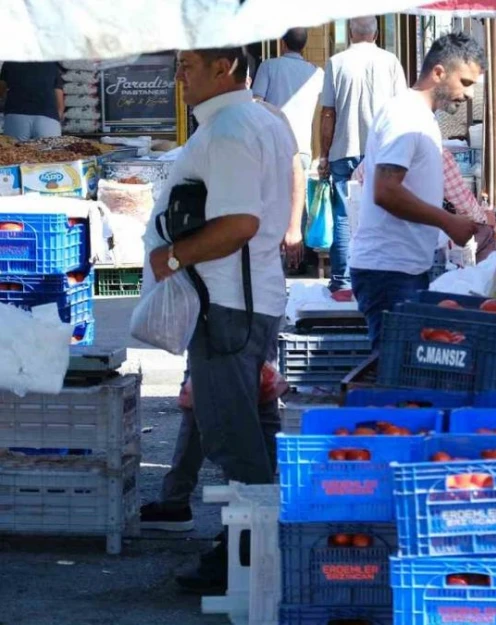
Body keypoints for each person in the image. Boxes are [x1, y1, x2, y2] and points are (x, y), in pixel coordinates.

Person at [143, 46, 296, 592]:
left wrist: (172, 256)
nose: (179, 74)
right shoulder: (259, 119)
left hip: (228, 304)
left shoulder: (231, 128)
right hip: (243, 301)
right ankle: (246, 548)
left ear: (224, 66)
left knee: (233, 436)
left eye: (188, 64)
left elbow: (240, 223)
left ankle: (254, 556)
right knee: (245, 429)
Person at [349, 33, 483, 346]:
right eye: (465, 82)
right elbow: (385, 190)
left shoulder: (419, 116)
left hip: (403, 268)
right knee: (393, 370)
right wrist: (447, 221)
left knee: (400, 367)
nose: (468, 95)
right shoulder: (406, 115)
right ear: (438, 73)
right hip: (389, 271)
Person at [319, 16, 408, 292]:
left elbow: (328, 113)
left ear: (350, 33)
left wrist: (323, 154)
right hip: (382, 152)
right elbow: (401, 110)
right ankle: (378, 279)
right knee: (381, 214)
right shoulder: (390, 61)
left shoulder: (336, 62)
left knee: (343, 217)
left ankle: (343, 282)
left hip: (343, 150)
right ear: (376, 33)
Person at [251, 28, 324, 172]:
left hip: (273, 148)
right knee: (299, 194)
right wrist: (318, 155)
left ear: (282, 43)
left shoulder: (268, 67)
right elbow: (320, 115)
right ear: (304, 45)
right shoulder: (317, 73)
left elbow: (255, 104)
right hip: (303, 149)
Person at [0, 62, 64, 140]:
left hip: (16, 116)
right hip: (48, 116)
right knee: (50, 151)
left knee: (15, 150)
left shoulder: (10, 63)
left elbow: (1, 89)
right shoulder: (52, 64)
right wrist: (57, 116)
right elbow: (58, 93)